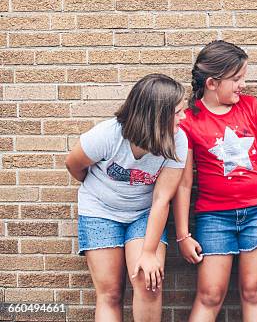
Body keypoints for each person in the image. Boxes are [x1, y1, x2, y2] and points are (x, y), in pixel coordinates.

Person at [173, 40, 257, 322]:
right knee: (210, 294)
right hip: (214, 218)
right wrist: (183, 235)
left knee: (254, 292)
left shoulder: (251, 107)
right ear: (212, 83)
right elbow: (184, 183)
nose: (242, 85)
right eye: (236, 79)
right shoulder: (189, 120)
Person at [65, 73, 188, 322]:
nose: (183, 117)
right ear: (156, 115)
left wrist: (149, 252)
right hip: (99, 211)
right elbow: (73, 164)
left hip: (144, 212)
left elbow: (161, 199)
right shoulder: (108, 135)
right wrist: (100, 190)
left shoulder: (178, 140)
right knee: (110, 293)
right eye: (177, 112)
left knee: (147, 282)